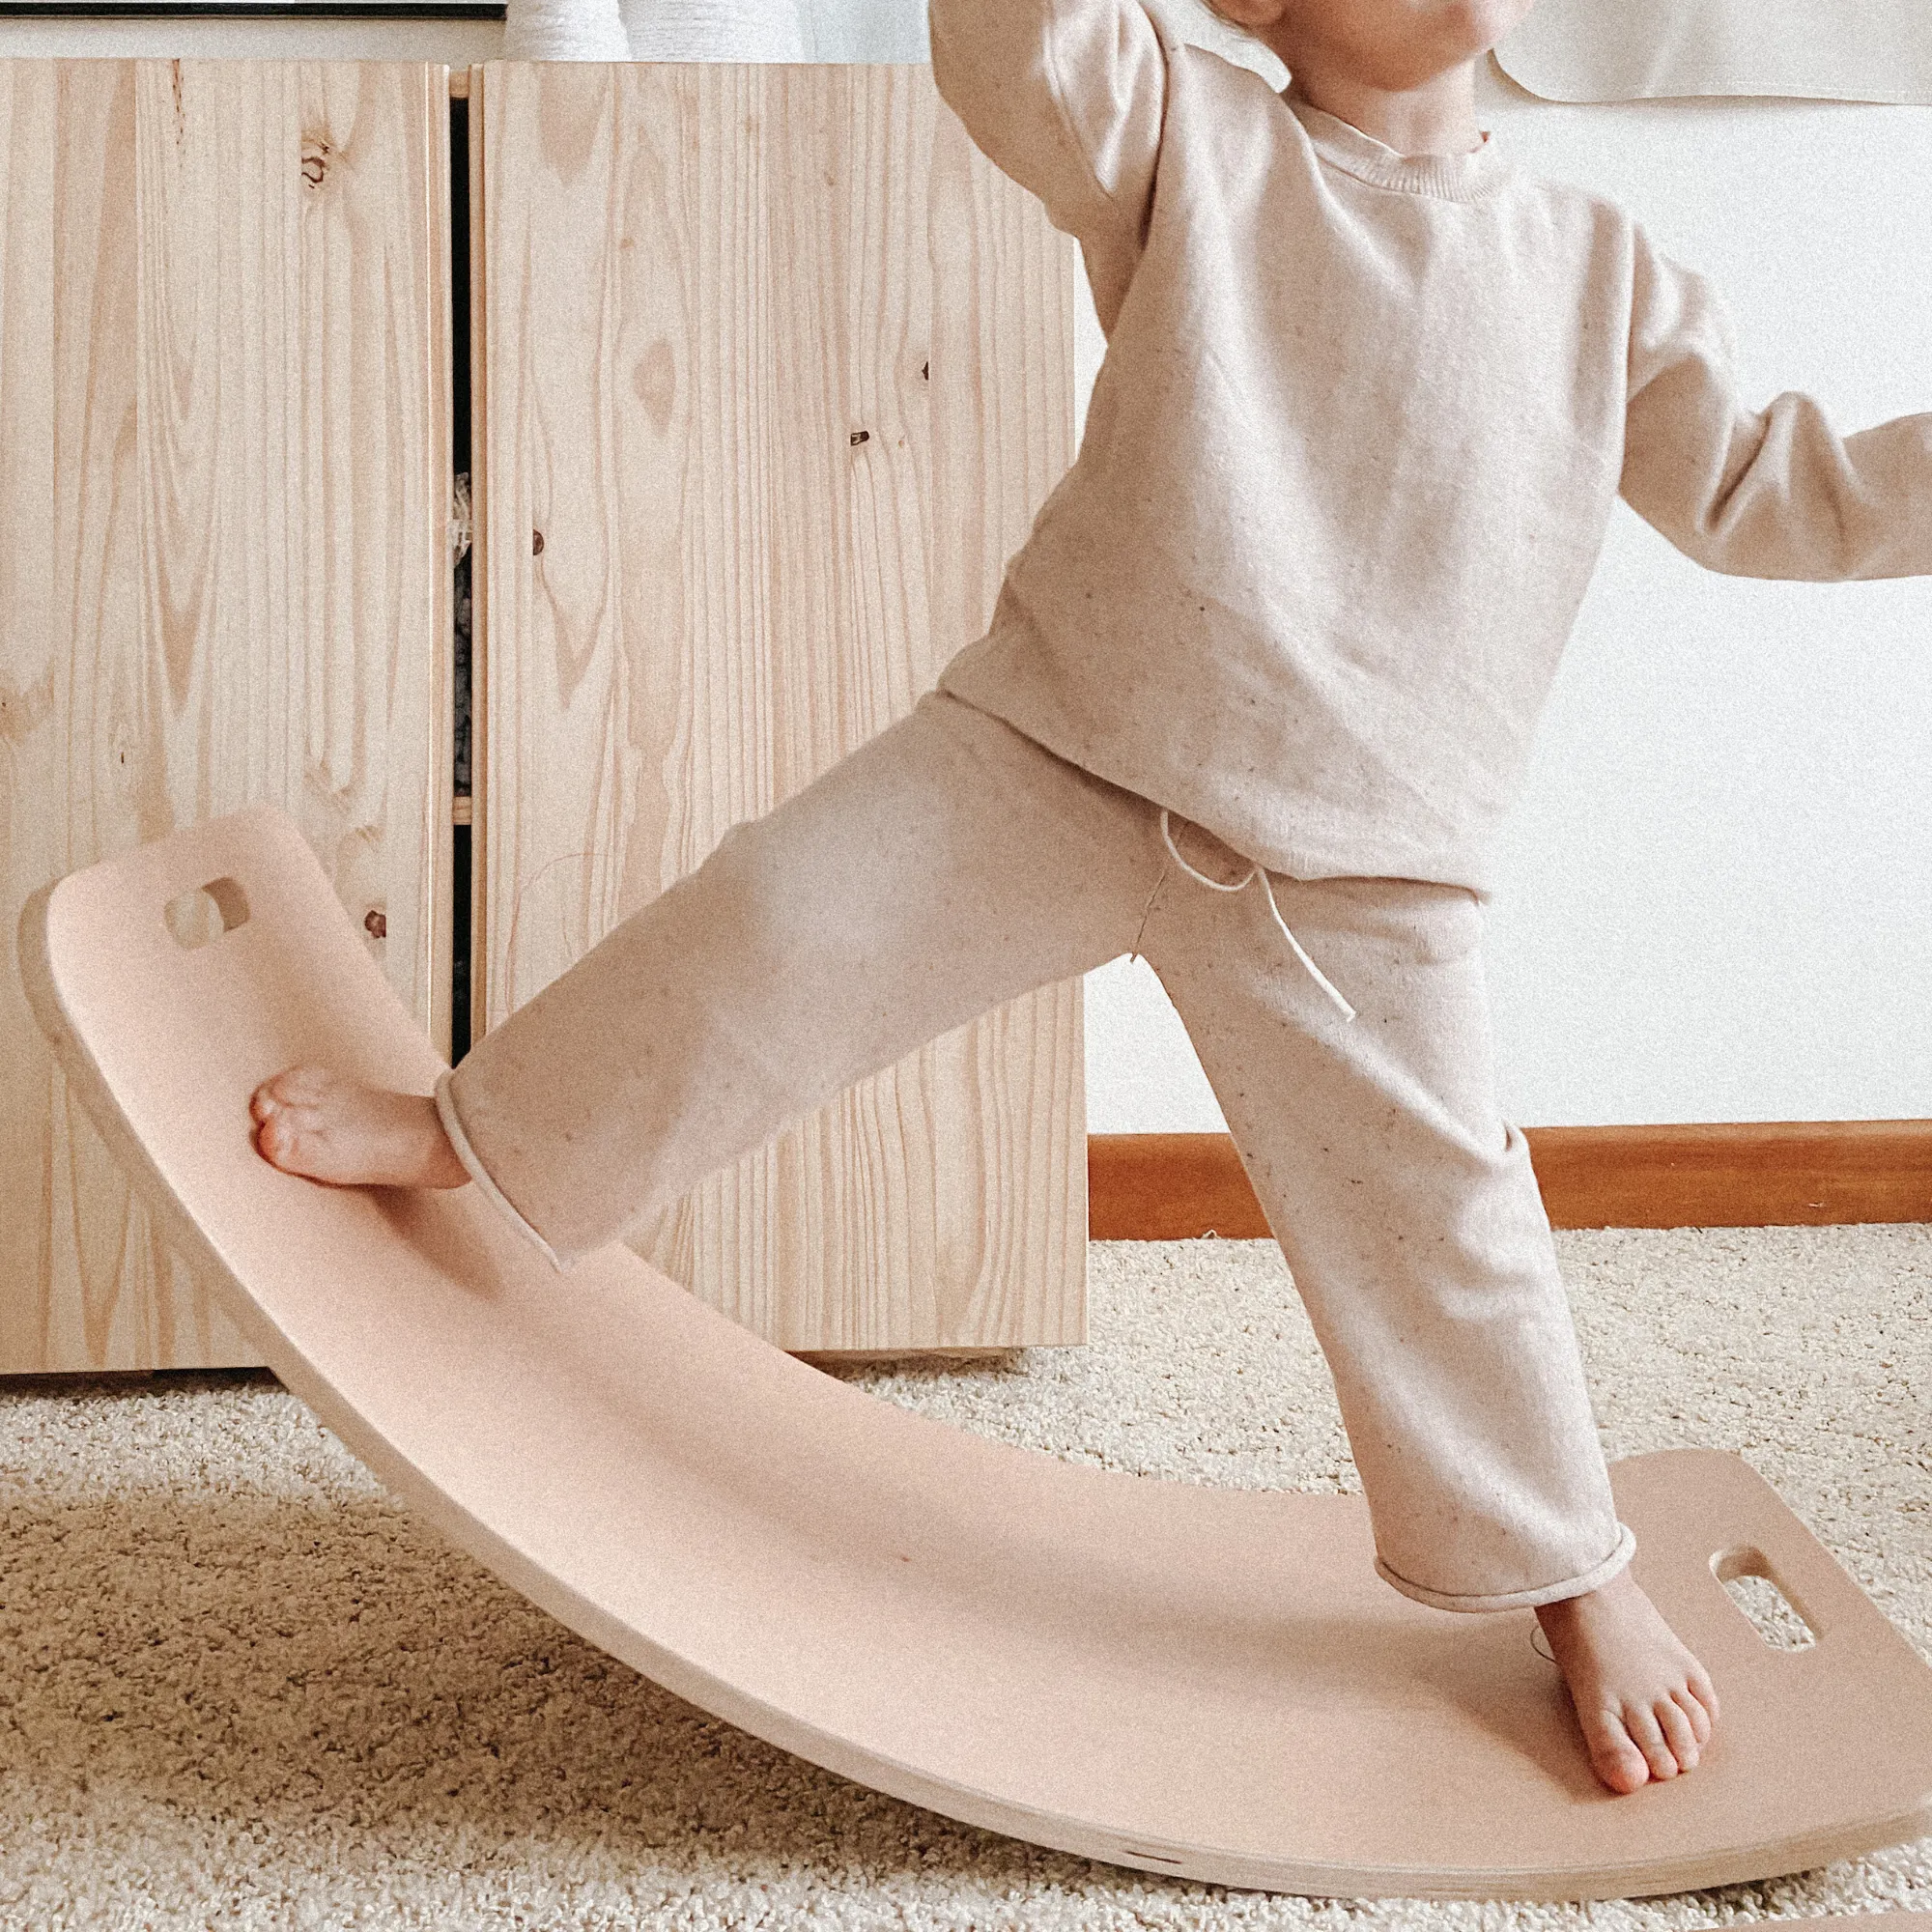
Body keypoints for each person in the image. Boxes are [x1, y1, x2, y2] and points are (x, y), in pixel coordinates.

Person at [250, 0, 1932, 1794]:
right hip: (1055, 749)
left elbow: (1779, 491)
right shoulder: (1188, 134)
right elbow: (1016, 52)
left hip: (1357, 873)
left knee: (1444, 1229)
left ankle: (1567, 1572)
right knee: (770, 932)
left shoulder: (1603, 273)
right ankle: (478, 1132)